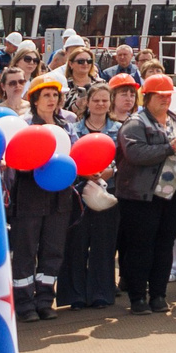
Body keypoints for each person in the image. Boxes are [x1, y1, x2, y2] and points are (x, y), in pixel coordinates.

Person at [113, 77, 176, 315]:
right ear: (146, 98)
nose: (165, 99)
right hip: (140, 197)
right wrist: (171, 147)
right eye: (160, 96)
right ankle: (137, 298)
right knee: (140, 248)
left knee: (164, 246)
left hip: (172, 195)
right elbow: (135, 153)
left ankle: (158, 295)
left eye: (168, 95)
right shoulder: (135, 123)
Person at [9, 81, 76, 321]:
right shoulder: (25, 127)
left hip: (60, 199)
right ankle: (25, 304)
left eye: (55, 95)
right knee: (26, 252)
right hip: (29, 198)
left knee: (53, 251)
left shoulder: (66, 126)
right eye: (46, 95)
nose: (51, 99)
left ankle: (45, 300)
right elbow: (15, 161)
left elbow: (74, 156)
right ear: (35, 100)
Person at [62, 81, 124, 310]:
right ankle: (75, 295)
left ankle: (101, 292)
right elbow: (68, 159)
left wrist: (111, 172)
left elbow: (125, 161)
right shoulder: (73, 129)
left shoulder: (120, 129)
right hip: (79, 192)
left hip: (108, 192)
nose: (99, 104)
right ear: (87, 102)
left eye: (104, 100)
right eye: (95, 100)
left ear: (110, 103)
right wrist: (83, 173)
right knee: (76, 244)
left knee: (103, 244)